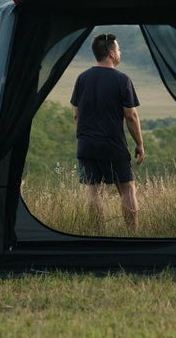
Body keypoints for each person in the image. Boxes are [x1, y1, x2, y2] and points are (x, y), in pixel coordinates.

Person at [70, 33, 145, 233]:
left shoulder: (82, 78)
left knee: (94, 192)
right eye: (119, 50)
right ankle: (132, 234)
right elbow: (131, 116)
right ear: (111, 54)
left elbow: (76, 113)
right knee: (128, 189)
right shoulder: (122, 79)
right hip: (113, 144)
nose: (120, 53)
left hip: (86, 145)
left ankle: (97, 235)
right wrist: (139, 143)